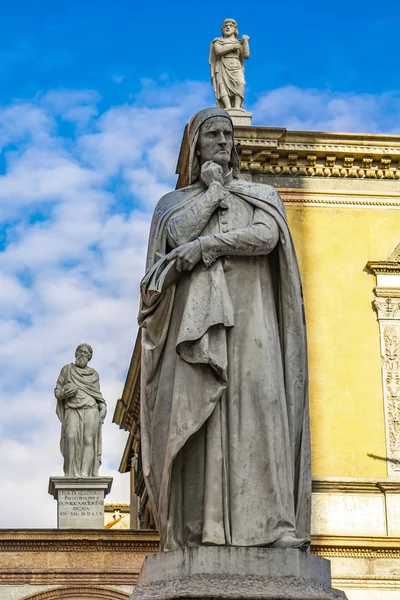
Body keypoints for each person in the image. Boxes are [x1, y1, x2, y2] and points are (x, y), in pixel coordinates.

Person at [139, 107, 311, 551]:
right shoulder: (174, 204)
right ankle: (205, 529)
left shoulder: (260, 195)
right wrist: (214, 193)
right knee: (205, 420)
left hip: (254, 323)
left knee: (262, 408)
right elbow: (176, 234)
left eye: (227, 134)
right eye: (212, 134)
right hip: (198, 331)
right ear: (196, 146)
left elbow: (266, 238)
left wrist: (209, 245)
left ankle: (273, 525)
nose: (222, 140)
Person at [54, 343, 107, 478]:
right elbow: (57, 390)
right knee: (71, 437)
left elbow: (97, 394)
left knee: (88, 440)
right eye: (80, 352)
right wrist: (64, 394)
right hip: (71, 408)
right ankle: (71, 473)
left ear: (89, 357)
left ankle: (85, 473)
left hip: (90, 408)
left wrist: (103, 406)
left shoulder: (93, 374)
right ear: (76, 353)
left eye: (86, 353)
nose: (82, 355)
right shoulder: (67, 370)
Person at [209, 18, 250, 110]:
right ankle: (227, 107)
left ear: (235, 29)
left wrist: (245, 41)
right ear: (222, 29)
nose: (228, 27)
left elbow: (246, 55)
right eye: (225, 26)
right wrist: (234, 46)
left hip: (236, 66)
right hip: (223, 65)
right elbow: (218, 52)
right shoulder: (218, 41)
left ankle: (237, 107)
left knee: (241, 83)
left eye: (231, 26)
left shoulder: (239, 42)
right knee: (222, 85)